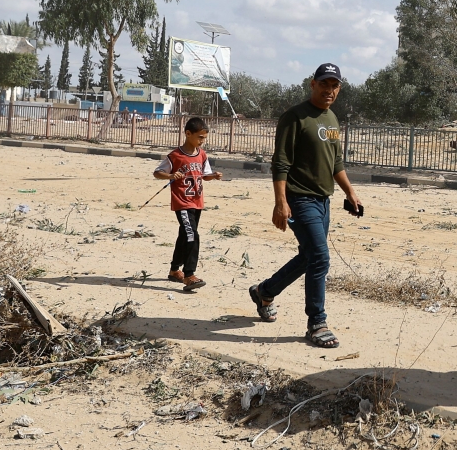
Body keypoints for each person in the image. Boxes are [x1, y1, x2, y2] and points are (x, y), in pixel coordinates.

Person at [249, 63, 362, 349]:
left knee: (309, 257)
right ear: (313, 84)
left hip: (324, 201)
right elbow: (281, 162)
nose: (329, 90)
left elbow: (336, 162)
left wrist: (350, 192)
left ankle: (264, 291)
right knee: (320, 258)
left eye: (334, 86)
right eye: (324, 84)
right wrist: (280, 202)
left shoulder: (332, 119)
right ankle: (317, 323)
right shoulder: (295, 117)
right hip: (300, 199)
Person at [154, 116, 223, 291]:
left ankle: (174, 270)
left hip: (197, 202)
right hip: (182, 202)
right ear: (188, 134)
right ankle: (189, 274)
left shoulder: (202, 155)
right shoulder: (175, 156)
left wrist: (213, 176)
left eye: (204, 138)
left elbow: (205, 175)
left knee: (185, 235)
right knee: (193, 235)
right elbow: (157, 172)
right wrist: (170, 175)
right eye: (200, 137)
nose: (202, 141)